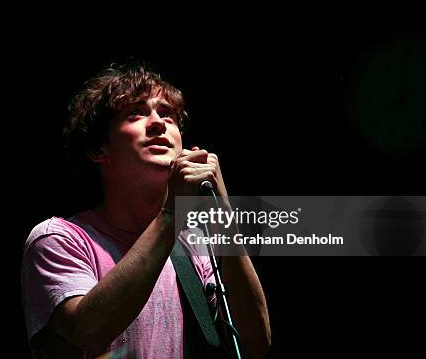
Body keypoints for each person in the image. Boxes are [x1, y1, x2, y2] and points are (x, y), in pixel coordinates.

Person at [21, 63, 271, 358]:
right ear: (98, 149)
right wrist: (171, 213)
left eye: (167, 114)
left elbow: (255, 343)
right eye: (135, 113)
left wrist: (223, 211)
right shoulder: (59, 238)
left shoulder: (191, 247)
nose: (158, 123)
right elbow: (89, 332)